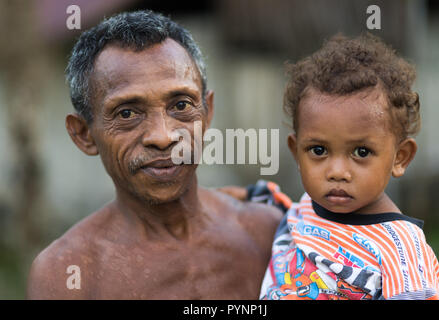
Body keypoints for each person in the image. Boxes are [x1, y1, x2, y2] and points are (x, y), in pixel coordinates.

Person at [26, 10, 282, 299]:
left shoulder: (267, 233)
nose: (162, 137)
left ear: (207, 113)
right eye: (127, 113)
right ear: (83, 134)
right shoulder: (69, 275)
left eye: (181, 106)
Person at [237, 33, 439, 300]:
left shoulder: (401, 249)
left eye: (361, 152)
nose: (337, 171)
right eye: (318, 150)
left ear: (400, 157)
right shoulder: (304, 208)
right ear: (296, 152)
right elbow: (271, 199)